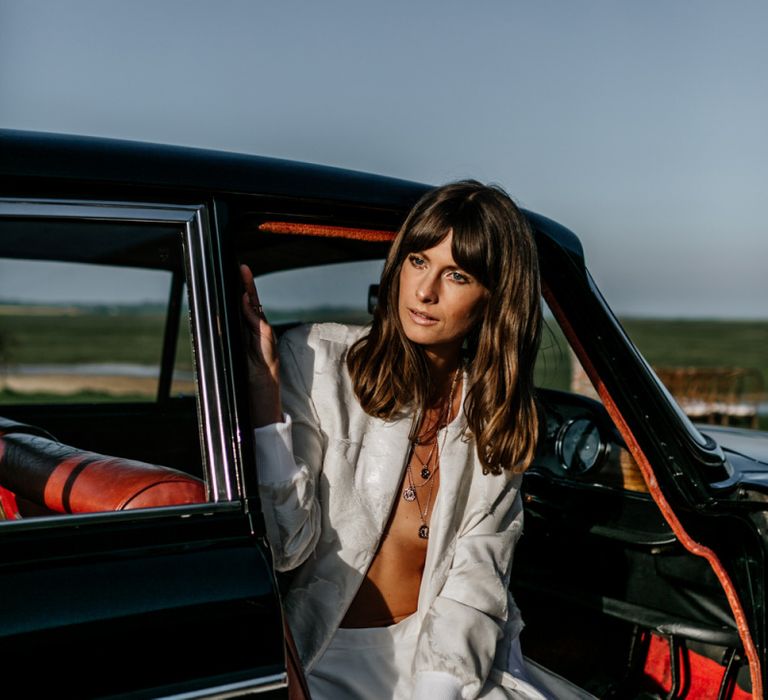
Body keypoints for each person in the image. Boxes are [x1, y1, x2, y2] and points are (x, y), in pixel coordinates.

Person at [241, 181, 593, 700]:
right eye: (417, 261)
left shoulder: (494, 413)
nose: (425, 292)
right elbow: (284, 549)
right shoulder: (314, 362)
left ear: (494, 296)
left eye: (456, 275)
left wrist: (437, 690)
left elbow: (474, 584)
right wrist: (265, 400)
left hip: (445, 661)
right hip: (323, 654)